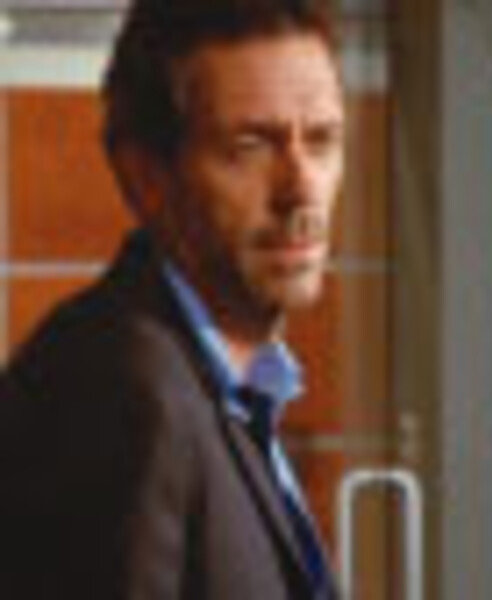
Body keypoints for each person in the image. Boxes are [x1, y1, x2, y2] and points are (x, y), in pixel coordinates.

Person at [0, 0, 345, 598]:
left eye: (321, 141)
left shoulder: (215, 382)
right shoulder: (120, 396)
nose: (301, 190)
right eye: (250, 146)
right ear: (146, 176)